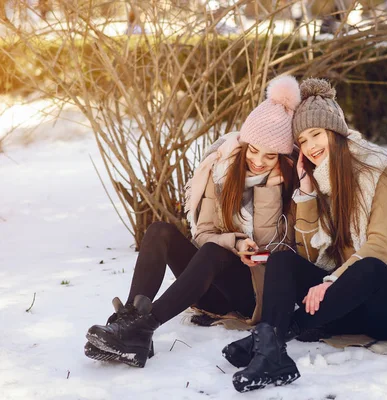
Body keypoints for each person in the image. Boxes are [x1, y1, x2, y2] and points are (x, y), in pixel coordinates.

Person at [223, 78, 387, 392]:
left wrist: (331, 281)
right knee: (284, 261)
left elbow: (380, 245)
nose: (309, 147)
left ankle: (272, 338)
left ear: (335, 132)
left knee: (369, 267)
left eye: (315, 134)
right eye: (303, 140)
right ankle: (271, 352)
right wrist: (307, 196)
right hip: (346, 306)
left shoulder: (380, 173)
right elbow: (309, 256)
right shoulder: (318, 182)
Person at [84, 75, 302, 368]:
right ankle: (129, 322)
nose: (259, 161)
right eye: (253, 150)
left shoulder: (292, 185)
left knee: (214, 252)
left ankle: (142, 329)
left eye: (270, 155)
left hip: (255, 294)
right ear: (244, 143)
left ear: (283, 156)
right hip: (212, 287)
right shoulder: (222, 172)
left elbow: (292, 250)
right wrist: (236, 243)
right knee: (160, 231)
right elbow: (204, 234)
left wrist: (266, 200)